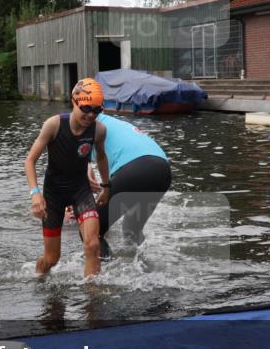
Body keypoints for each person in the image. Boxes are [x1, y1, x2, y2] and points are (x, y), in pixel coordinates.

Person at [24, 79, 112, 278]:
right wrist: (35, 195)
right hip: (53, 196)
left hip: (81, 192)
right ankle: (38, 279)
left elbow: (101, 156)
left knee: (92, 245)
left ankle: (92, 300)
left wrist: (106, 186)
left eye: (96, 111)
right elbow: (29, 161)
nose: (90, 115)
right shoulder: (53, 125)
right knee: (51, 259)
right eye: (86, 108)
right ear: (74, 102)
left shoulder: (99, 131)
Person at [88, 115, 171, 249]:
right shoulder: (112, 123)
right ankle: (143, 267)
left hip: (134, 169)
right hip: (162, 169)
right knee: (132, 230)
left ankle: (103, 269)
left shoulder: (84, 124)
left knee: (91, 231)